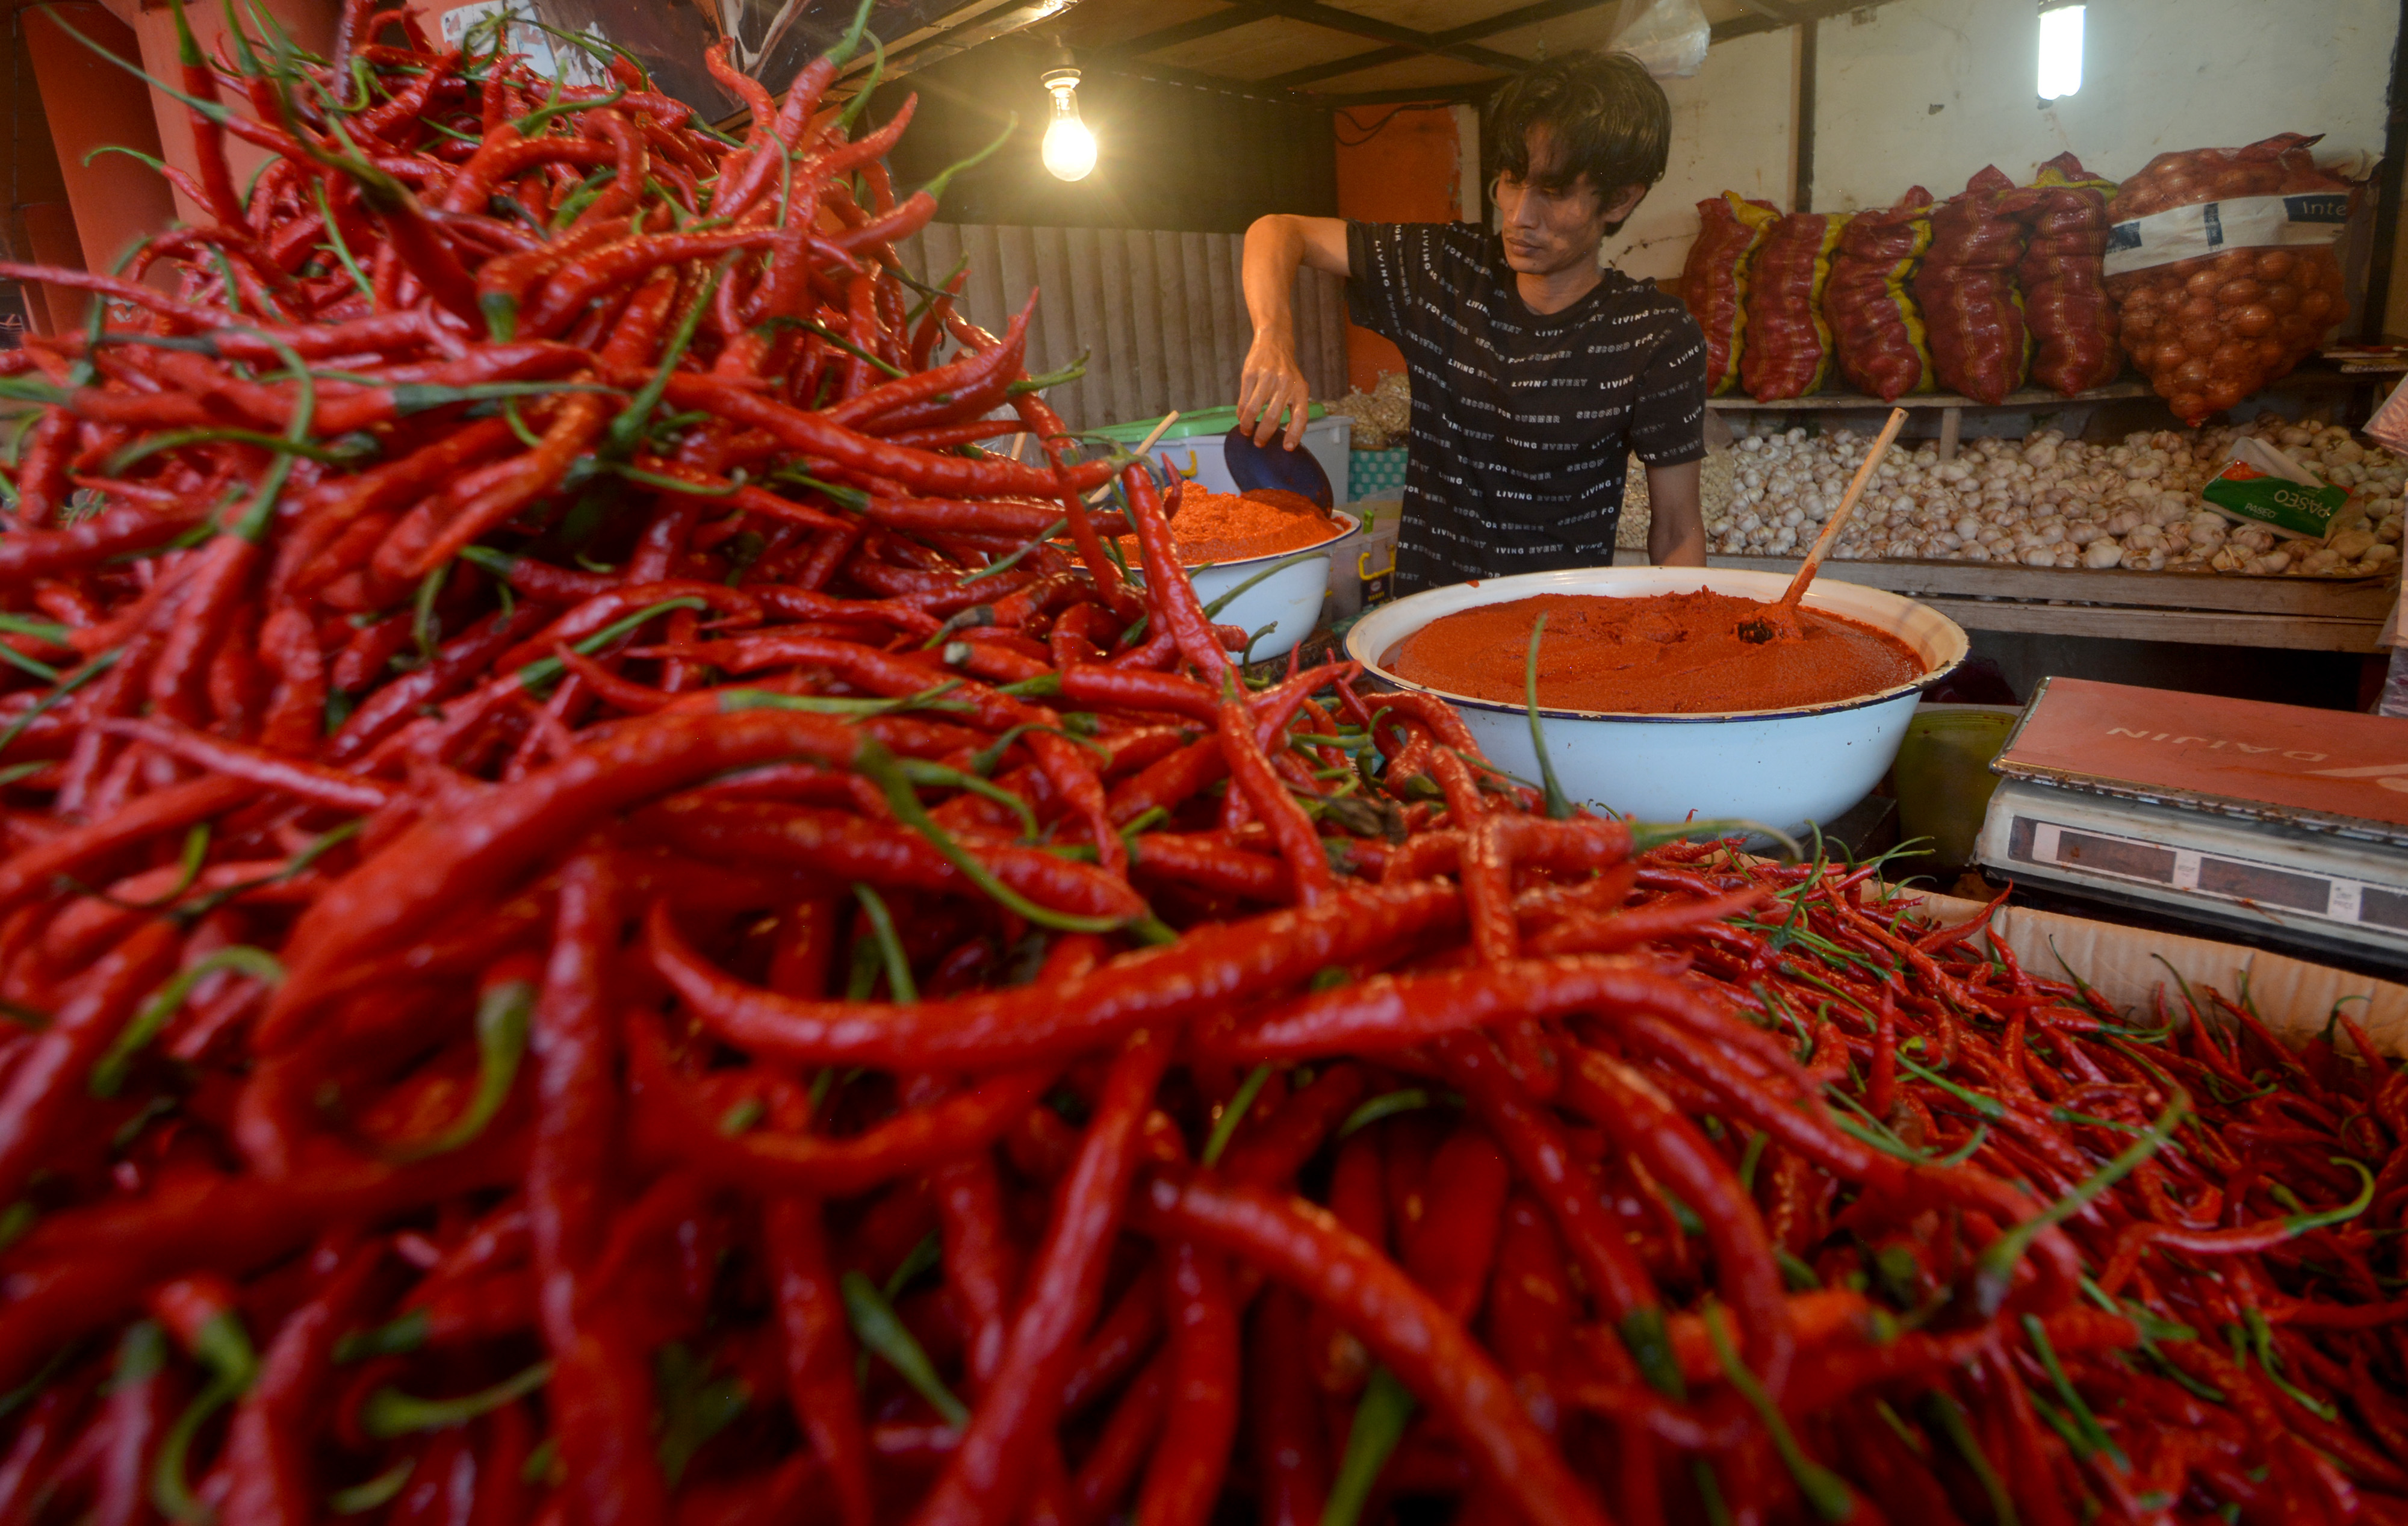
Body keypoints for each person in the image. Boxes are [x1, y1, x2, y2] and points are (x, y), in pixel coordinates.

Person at [1237, 50, 1707, 595]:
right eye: (1511, 180)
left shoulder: (1654, 334)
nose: (1519, 215)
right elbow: (1276, 231)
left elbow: (1677, 528)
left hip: (1565, 636)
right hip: (1428, 623)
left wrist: (1688, 640)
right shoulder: (1445, 272)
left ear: (1622, 200)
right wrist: (1274, 337)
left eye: (1553, 193)